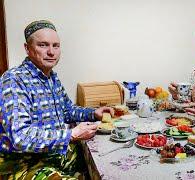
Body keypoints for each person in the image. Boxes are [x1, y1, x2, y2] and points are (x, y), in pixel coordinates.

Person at [0, 20, 114, 179]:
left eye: (56, 45)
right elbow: (20, 137)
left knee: (106, 160)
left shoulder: (52, 77)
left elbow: (67, 111)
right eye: (43, 45)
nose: (51, 52)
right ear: (27, 48)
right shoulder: (13, 80)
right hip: (23, 164)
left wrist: (94, 113)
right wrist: (72, 134)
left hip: (54, 155)